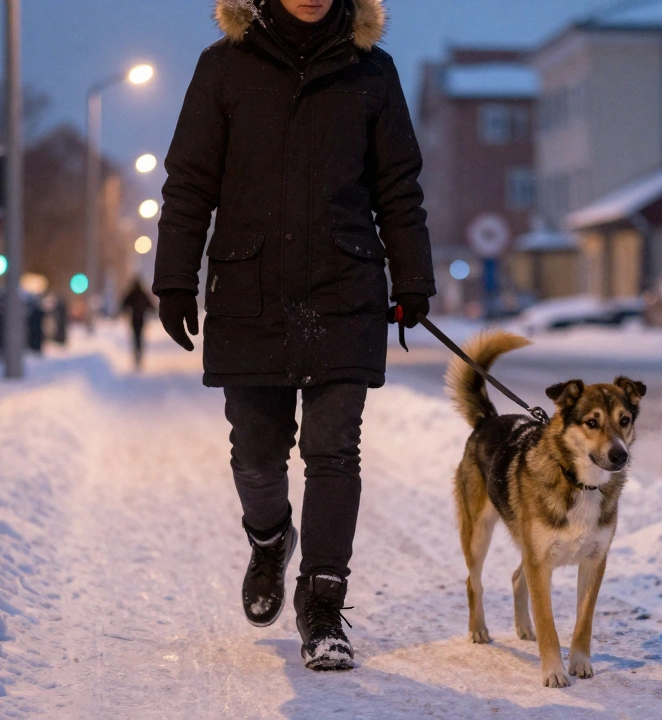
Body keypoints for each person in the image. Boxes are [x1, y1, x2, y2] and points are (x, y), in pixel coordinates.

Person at [152, 0, 434, 671]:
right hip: (250, 289)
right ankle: (271, 538)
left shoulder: (374, 72)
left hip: (345, 287)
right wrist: (172, 279)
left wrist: (412, 277)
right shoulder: (223, 68)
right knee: (256, 450)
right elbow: (190, 182)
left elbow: (398, 186)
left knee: (334, 450)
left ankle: (323, 603)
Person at [120, 278, 156, 370]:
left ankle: (137, 355)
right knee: (140, 337)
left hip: (134, 319)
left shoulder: (131, 294)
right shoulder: (143, 294)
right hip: (141, 319)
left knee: (135, 337)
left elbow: (124, 304)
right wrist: (153, 311)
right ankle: (139, 354)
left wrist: (123, 311)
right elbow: (151, 305)